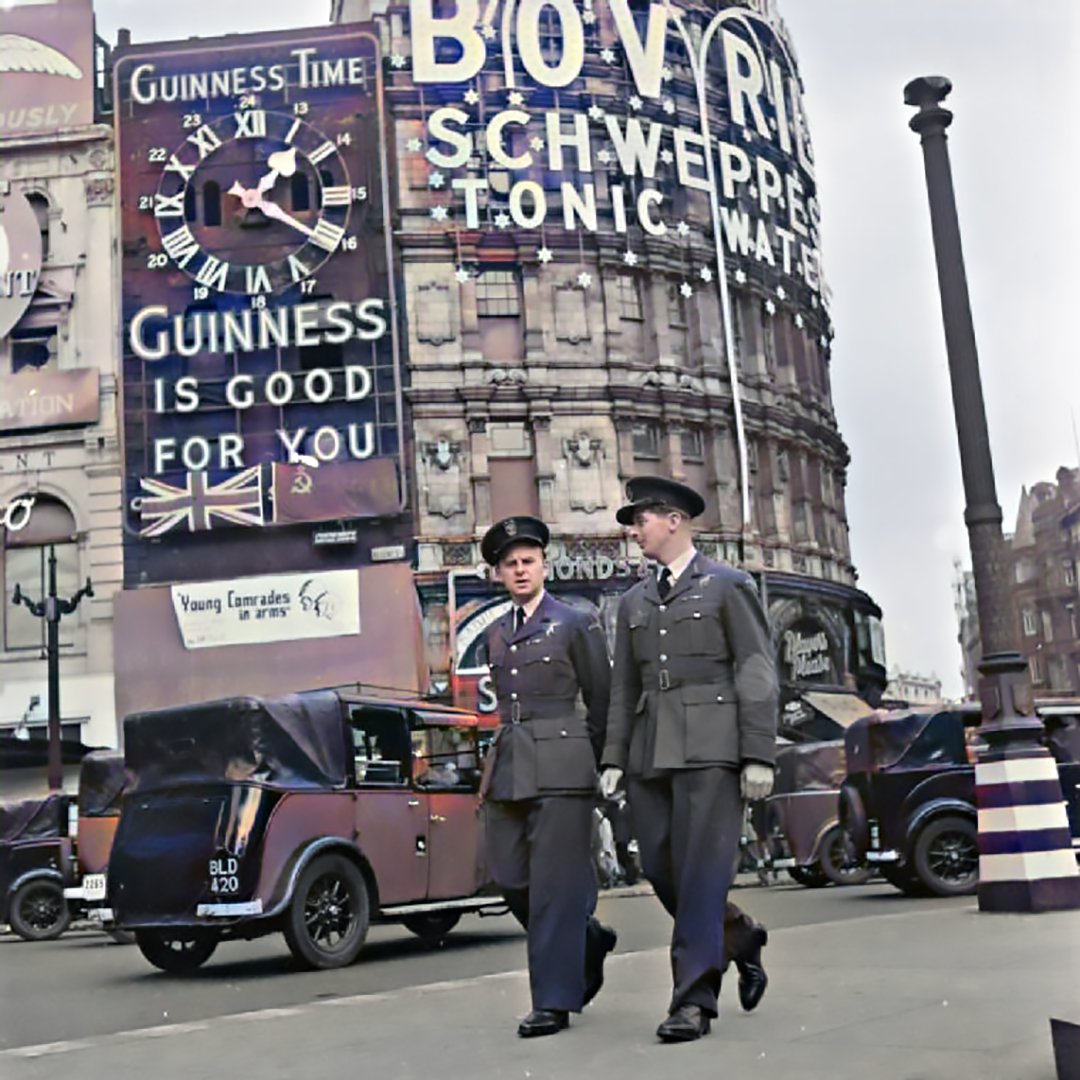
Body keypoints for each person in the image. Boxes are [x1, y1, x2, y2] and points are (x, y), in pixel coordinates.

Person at [600, 476, 778, 1043]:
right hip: (651, 751)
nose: (635, 531)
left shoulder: (728, 585)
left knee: (701, 876)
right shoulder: (633, 601)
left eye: (642, 520)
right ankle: (739, 934)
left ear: (674, 520)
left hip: (712, 748)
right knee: (661, 868)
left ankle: (693, 1001)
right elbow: (624, 688)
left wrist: (758, 753)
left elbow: (756, 670)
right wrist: (613, 757)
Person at [478, 515, 618, 1038]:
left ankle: (553, 1002)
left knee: (555, 888)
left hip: (563, 764)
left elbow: (601, 699)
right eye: (510, 564)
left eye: (528, 561)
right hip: (510, 766)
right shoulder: (495, 634)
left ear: (544, 565)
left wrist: (601, 762)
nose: (520, 570)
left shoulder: (575, 622)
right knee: (510, 876)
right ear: (498, 573)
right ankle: (586, 939)